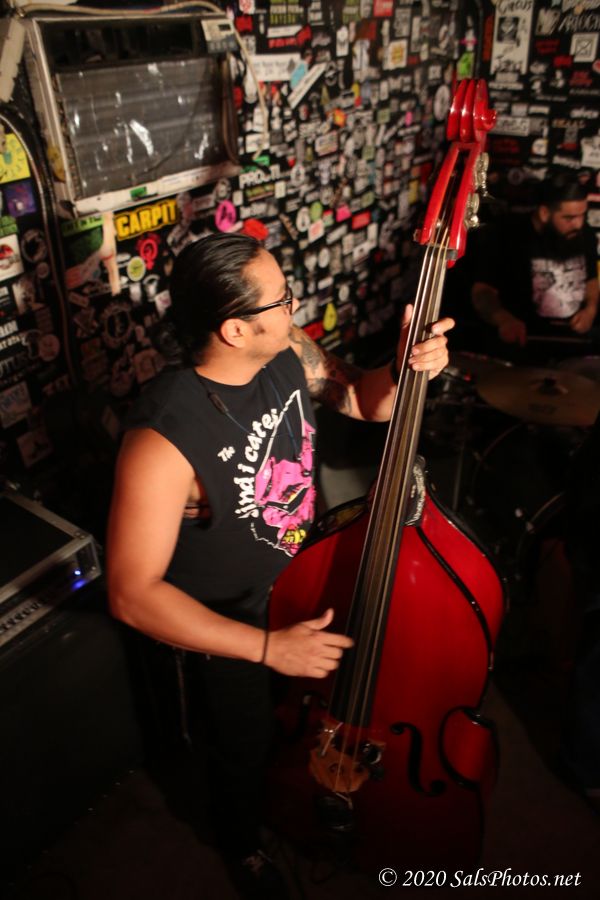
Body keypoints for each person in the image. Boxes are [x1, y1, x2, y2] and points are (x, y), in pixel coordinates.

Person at [106, 232, 453, 896]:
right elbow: (131, 593)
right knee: (241, 750)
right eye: (282, 299)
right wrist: (269, 648)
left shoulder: (288, 350)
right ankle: (242, 847)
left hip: (303, 581)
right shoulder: (161, 438)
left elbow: (364, 401)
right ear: (235, 329)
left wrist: (407, 365)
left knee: (307, 724)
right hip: (229, 624)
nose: (295, 307)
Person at [469, 174, 598, 362]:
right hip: (521, 348)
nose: (578, 224)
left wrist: (591, 309)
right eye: (569, 218)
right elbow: (481, 292)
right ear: (544, 213)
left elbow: (591, 279)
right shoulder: (506, 235)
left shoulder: (584, 234)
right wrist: (504, 320)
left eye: (582, 215)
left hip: (574, 349)